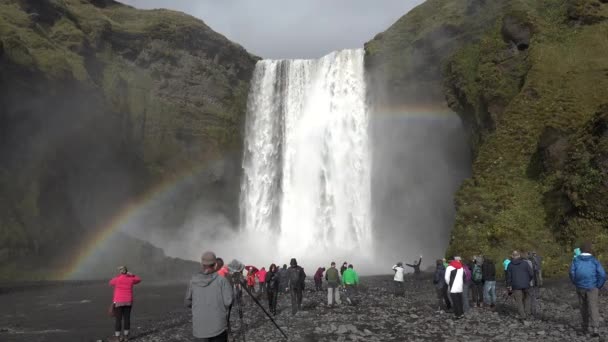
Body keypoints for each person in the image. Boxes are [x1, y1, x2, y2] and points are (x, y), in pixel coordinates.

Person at [185, 251, 233, 342]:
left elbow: (187, 302)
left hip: (199, 328)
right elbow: (228, 302)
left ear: (202, 264)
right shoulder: (222, 280)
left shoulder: (193, 281)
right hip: (218, 327)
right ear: (215, 264)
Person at [570, 242, 606, 337]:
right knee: (593, 306)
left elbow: (571, 273)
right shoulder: (594, 261)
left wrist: (575, 282)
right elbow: (602, 274)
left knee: (583, 307)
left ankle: (585, 327)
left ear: (581, 250)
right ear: (590, 250)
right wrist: (598, 285)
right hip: (592, 287)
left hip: (580, 287)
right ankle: (595, 328)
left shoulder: (576, 260)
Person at [109, 266, 141, 342]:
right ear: (127, 271)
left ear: (120, 271)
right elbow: (139, 280)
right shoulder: (131, 279)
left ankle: (117, 338)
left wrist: (119, 276)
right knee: (127, 319)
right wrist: (132, 275)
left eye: (120, 270)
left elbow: (110, 282)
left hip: (118, 302)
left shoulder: (117, 279)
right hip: (128, 301)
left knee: (118, 320)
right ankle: (126, 337)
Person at [506, 250, 533, 321]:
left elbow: (508, 277)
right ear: (519, 256)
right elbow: (531, 274)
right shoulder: (525, 263)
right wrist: (528, 280)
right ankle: (527, 313)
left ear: (512, 256)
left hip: (516, 285)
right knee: (527, 299)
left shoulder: (510, 265)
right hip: (526, 284)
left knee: (519, 301)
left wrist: (509, 286)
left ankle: (523, 315)